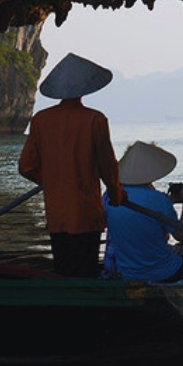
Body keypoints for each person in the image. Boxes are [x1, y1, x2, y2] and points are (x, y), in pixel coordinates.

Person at [18, 53, 125, 278]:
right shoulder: (95, 120)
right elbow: (107, 165)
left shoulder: (41, 120)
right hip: (86, 212)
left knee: (63, 269)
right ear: (84, 87)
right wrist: (116, 194)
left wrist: (53, 181)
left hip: (57, 213)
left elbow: (26, 167)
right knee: (85, 271)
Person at [102, 141, 183, 283]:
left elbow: (137, 218)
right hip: (162, 272)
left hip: (127, 272)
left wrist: (169, 202)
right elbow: (181, 236)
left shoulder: (111, 196)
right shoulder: (158, 200)